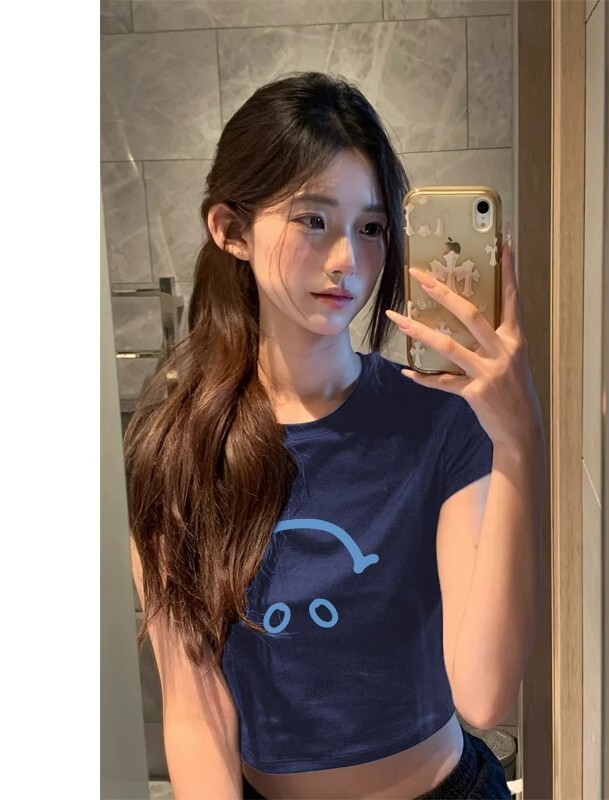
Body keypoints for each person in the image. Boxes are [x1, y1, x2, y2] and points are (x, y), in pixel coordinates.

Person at [125, 71, 545, 800]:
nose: (348, 259)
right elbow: (195, 714)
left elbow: (484, 695)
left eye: (371, 227)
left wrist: (518, 440)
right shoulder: (177, 452)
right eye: (313, 220)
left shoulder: (437, 418)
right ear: (230, 230)